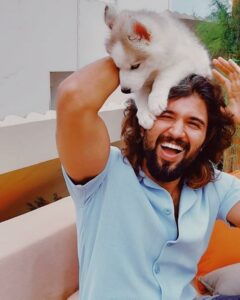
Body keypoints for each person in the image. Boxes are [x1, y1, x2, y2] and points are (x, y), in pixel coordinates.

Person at [56, 57, 240, 300]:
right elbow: (73, 97)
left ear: (206, 138)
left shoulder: (215, 186)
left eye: (193, 123)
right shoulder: (103, 173)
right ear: (143, 120)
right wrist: (144, 51)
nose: (176, 131)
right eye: (164, 115)